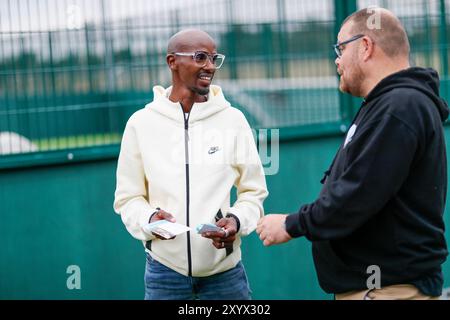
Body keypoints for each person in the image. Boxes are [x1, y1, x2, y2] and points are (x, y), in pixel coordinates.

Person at [256, 7, 448, 300]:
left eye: (341, 48)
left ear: (366, 46)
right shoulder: (389, 104)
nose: (337, 59)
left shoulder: (399, 106)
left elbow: (358, 193)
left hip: (387, 291)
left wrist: (290, 224)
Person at [113, 29, 268, 300]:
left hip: (225, 277)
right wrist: (149, 219)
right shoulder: (140, 123)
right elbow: (128, 198)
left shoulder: (233, 120)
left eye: (213, 58)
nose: (209, 66)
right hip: (164, 275)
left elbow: (254, 193)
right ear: (172, 61)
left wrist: (235, 220)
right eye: (200, 57)